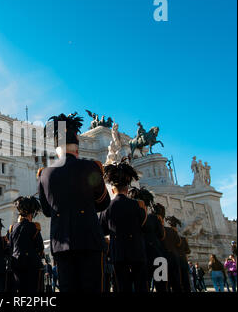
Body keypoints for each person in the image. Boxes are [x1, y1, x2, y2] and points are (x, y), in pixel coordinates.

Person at [38, 112, 110, 292]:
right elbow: (103, 202)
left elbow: (46, 210)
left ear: (57, 148)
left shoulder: (45, 174)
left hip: (61, 244)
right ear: (77, 147)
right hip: (90, 240)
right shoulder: (90, 167)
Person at [99, 161, 148, 292]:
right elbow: (144, 226)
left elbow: (102, 230)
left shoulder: (107, 208)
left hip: (118, 252)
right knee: (141, 285)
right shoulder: (138, 205)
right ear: (127, 189)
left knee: (122, 285)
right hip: (137, 250)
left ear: (113, 189)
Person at [128, 188, 167, 292]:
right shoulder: (154, 218)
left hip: (140, 256)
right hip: (157, 256)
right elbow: (162, 236)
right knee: (162, 287)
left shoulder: (131, 218)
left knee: (142, 286)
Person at [8, 196, 44, 292]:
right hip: (31, 265)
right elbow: (40, 247)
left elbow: (10, 248)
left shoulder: (12, 228)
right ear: (31, 213)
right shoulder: (34, 227)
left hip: (16, 265)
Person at [162, 216, 183, 292]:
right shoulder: (173, 231)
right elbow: (179, 243)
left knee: (164, 282)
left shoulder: (162, 229)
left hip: (163, 257)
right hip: (173, 257)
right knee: (176, 281)